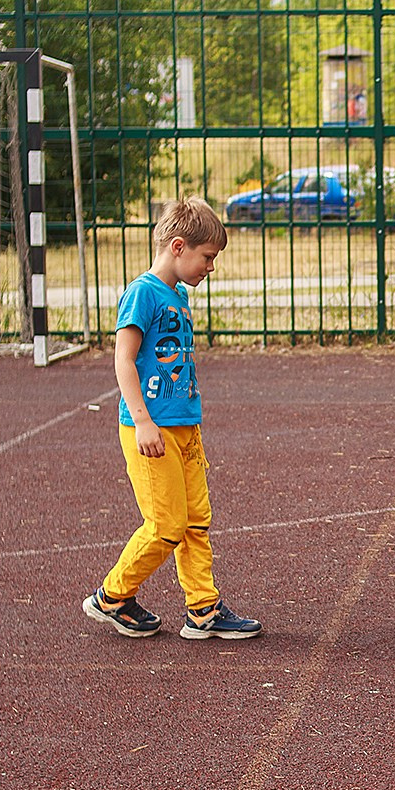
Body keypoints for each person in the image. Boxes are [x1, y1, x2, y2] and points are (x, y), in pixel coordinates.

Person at [83, 198, 263, 641]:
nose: (211, 267)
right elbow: (124, 361)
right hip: (152, 430)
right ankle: (112, 595)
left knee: (196, 519)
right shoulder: (143, 292)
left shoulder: (178, 294)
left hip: (185, 428)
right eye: (208, 257)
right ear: (178, 247)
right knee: (166, 525)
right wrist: (143, 421)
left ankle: (202, 609)